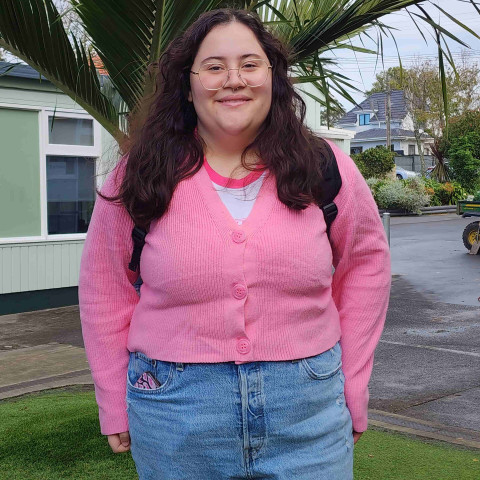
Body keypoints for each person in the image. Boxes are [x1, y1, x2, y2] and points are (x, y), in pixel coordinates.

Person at [78, 7, 391, 480]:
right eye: (214, 66)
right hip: (175, 411)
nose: (233, 79)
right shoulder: (141, 173)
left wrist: (354, 382)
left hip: (308, 407)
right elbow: (105, 287)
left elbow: (366, 265)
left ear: (273, 77)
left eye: (249, 64)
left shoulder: (323, 168)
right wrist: (111, 399)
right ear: (188, 83)